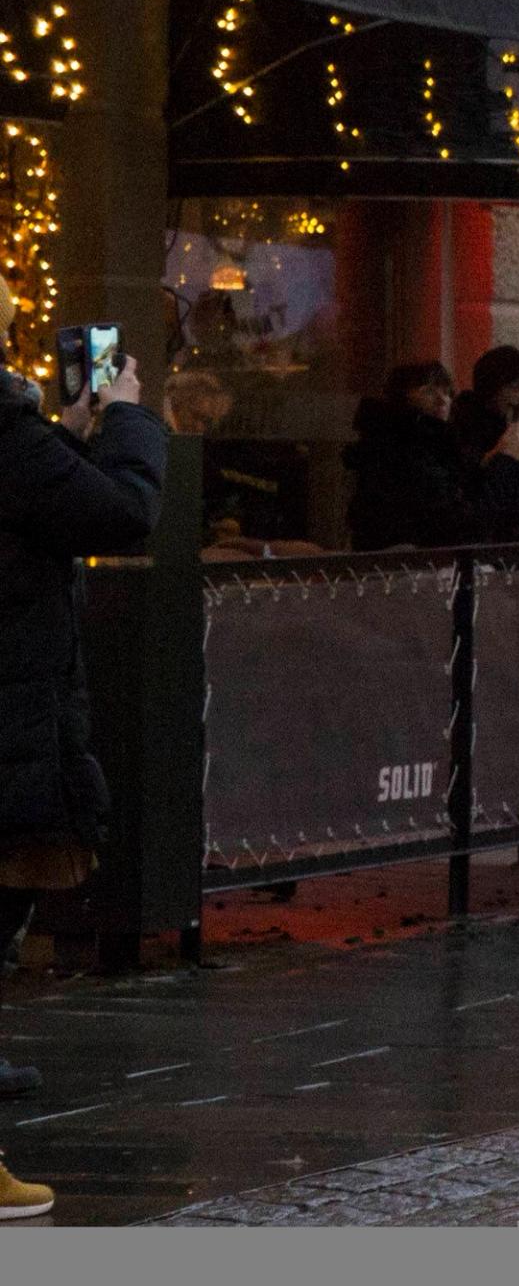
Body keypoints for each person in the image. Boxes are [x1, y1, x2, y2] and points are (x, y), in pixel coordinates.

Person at [0, 352, 164, 1210]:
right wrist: (130, 418)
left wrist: (61, 439)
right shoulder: (8, 438)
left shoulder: (22, 443)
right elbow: (123, 512)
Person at [345, 361, 470, 550]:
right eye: (429, 391)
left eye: (447, 392)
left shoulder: (445, 442)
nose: (442, 399)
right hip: (402, 561)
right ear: (402, 397)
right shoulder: (395, 446)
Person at [451, 347, 519, 540]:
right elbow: (474, 522)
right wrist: (504, 461)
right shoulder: (462, 439)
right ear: (490, 392)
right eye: (518, 388)